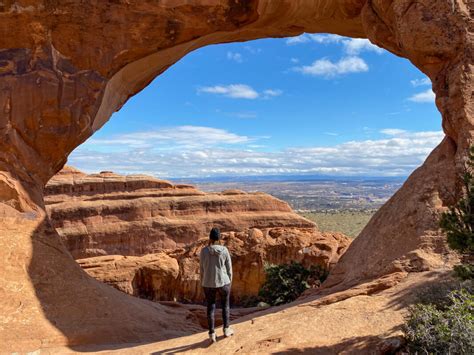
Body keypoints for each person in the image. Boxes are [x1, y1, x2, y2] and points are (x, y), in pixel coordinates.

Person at [199, 227, 234, 343]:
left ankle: (212, 334)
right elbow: (229, 269)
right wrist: (229, 281)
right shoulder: (224, 250)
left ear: (210, 238)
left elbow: (202, 269)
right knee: (225, 305)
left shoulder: (204, 251)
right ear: (219, 238)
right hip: (223, 282)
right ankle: (226, 329)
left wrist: (203, 281)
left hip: (208, 283)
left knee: (211, 307)